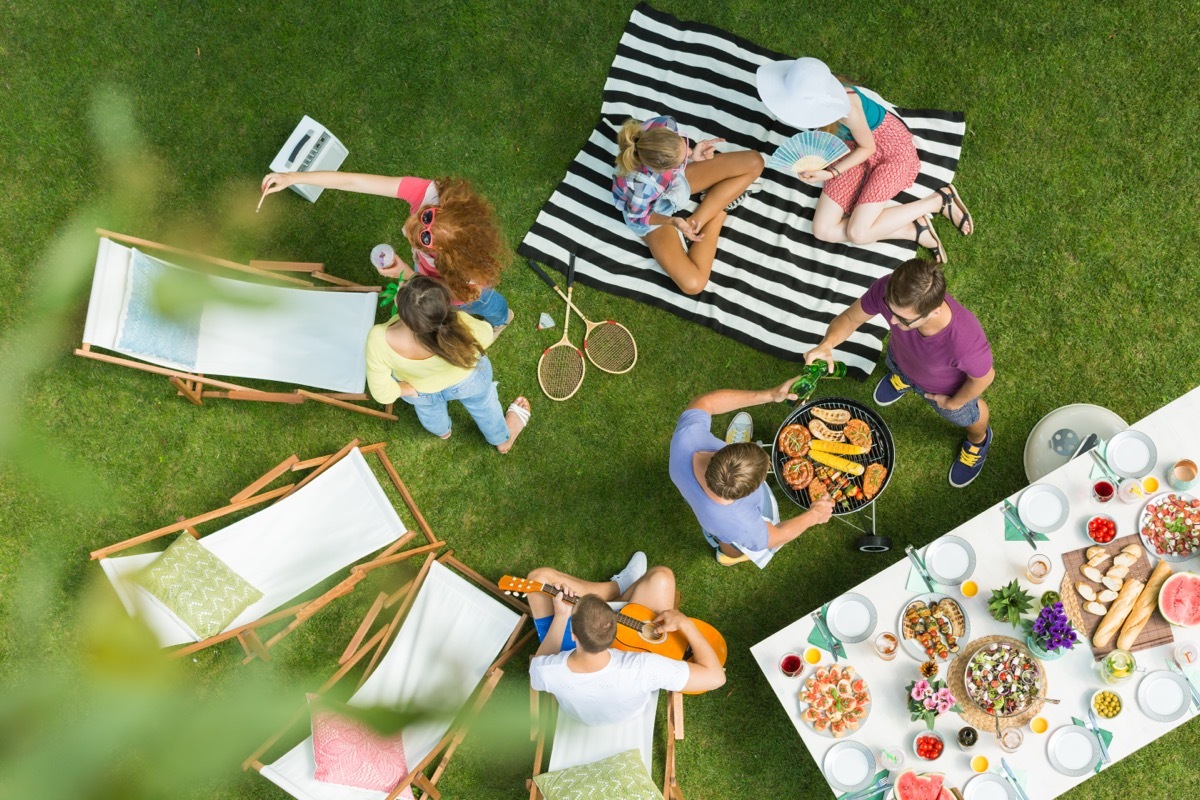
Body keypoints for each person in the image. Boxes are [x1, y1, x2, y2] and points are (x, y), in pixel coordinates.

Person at [756, 57, 973, 262]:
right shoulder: (821, 102)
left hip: (889, 151)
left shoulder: (846, 111)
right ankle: (913, 230)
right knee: (822, 230)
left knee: (858, 233)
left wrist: (830, 173)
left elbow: (868, 147)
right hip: (852, 150)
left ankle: (938, 201)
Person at [805, 257, 994, 487]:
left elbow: (984, 377)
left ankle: (978, 441)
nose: (891, 320)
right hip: (900, 359)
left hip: (943, 391)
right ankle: (903, 381)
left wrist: (954, 402)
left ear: (933, 312)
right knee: (897, 367)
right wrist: (827, 344)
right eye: (890, 309)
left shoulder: (965, 340)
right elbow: (850, 317)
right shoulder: (890, 290)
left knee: (969, 416)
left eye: (902, 318)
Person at [260, 171, 513, 331]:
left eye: (419, 241)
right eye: (419, 217)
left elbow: (440, 298)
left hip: (463, 293)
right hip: (428, 273)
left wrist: (408, 277)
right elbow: (355, 180)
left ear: (443, 254)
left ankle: (503, 318)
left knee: (486, 303)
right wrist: (294, 178)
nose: (406, 230)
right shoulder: (429, 195)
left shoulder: (465, 278)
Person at [528, 553, 726, 726]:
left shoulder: (548, 671)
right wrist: (685, 624)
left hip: (582, 719)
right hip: (630, 712)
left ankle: (619, 588)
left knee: (537, 578)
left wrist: (562, 616)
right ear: (614, 630)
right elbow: (717, 678)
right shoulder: (643, 668)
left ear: (573, 634)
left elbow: (539, 663)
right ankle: (619, 589)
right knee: (661, 576)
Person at [669, 381, 835, 566]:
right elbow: (776, 537)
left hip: (695, 498)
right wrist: (814, 515)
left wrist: (770, 394)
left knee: (718, 526)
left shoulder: (687, 437)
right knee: (730, 541)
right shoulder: (740, 523)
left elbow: (705, 402)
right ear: (746, 493)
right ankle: (728, 556)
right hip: (723, 527)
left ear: (723, 452)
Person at [364, 276, 529, 452]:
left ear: (401, 308)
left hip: (422, 391)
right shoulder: (459, 321)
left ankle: (442, 432)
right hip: (469, 380)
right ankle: (501, 440)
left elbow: (382, 394)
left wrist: (408, 389)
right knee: (484, 407)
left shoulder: (378, 338)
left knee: (430, 414)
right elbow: (486, 335)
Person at [612, 116, 764, 295]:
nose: (687, 158)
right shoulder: (637, 188)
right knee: (694, 284)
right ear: (662, 170)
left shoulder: (664, 124)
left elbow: (678, 154)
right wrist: (672, 221)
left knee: (755, 161)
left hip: (674, 184)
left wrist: (693, 153)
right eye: (683, 160)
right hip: (653, 212)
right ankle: (720, 210)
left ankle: (696, 221)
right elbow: (640, 216)